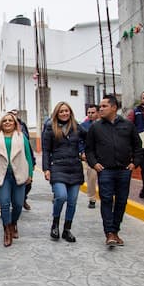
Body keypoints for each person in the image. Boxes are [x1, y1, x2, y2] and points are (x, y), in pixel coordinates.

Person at [86, 94, 142, 247]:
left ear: (114, 107)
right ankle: (109, 233)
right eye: (100, 106)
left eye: (104, 106)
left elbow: (138, 146)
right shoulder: (95, 127)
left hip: (124, 170)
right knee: (106, 200)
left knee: (122, 201)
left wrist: (134, 163)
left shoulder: (128, 125)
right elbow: (89, 149)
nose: (100, 109)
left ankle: (116, 231)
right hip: (105, 171)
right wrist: (94, 164)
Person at [42, 102, 87, 243]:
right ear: (57, 113)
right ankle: (55, 224)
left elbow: (89, 139)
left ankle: (67, 229)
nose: (64, 113)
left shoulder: (76, 127)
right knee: (61, 196)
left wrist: (83, 151)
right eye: (61, 111)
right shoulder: (50, 128)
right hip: (58, 167)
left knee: (72, 201)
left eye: (67, 111)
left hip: (74, 167)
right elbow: (46, 150)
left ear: (70, 112)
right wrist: (46, 169)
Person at [0, 113, 34, 247]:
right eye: (5, 121)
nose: (7, 122)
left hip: (19, 174)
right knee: (5, 204)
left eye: (10, 120)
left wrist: (30, 173)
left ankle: (14, 223)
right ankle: (7, 230)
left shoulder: (22, 137)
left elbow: (28, 156)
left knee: (18, 204)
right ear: (1, 124)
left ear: (15, 123)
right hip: (3, 175)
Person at [81, 104, 100, 209]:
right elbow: (79, 140)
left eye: (93, 112)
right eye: (89, 113)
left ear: (97, 113)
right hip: (90, 156)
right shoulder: (83, 126)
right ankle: (92, 199)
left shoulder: (105, 124)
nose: (90, 115)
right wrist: (82, 152)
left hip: (104, 156)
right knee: (91, 177)